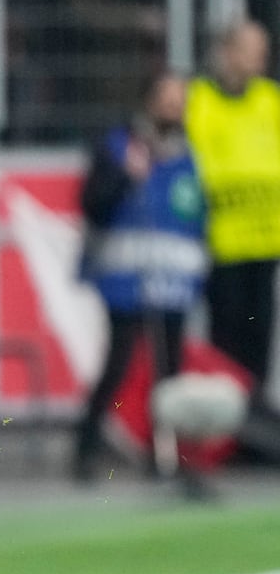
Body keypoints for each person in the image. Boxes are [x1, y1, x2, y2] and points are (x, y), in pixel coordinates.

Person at [74, 72, 208, 490]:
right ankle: (86, 447)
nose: (175, 108)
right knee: (119, 364)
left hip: (174, 281)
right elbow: (92, 206)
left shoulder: (189, 152)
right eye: (168, 99)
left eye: (180, 100)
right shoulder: (118, 147)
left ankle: (164, 454)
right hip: (125, 277)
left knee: (170, 371)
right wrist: (127, 175)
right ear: (150, 102)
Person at [185, 20, 280, 420]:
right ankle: (223, 426)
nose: (260, 58)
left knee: (259, 339)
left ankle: (254, 428)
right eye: (251, 49)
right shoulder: (200, 100)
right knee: (225, 341)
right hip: (220, 244)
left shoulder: (269, 100)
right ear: (227, 52)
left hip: (265, 243)